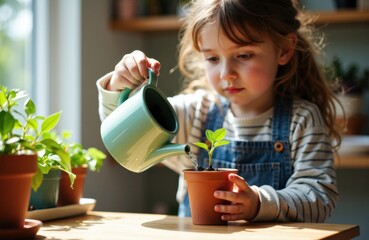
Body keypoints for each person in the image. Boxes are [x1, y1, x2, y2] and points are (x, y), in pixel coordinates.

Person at [97, 0, 341, 223]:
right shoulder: (196, 113)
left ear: (285, 50)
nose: (226, 73)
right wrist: (118, 85)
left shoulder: (301, 120)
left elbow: (318, 197)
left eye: (244, 55)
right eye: (213, 59)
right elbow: (122, 134)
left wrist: (259, 204)